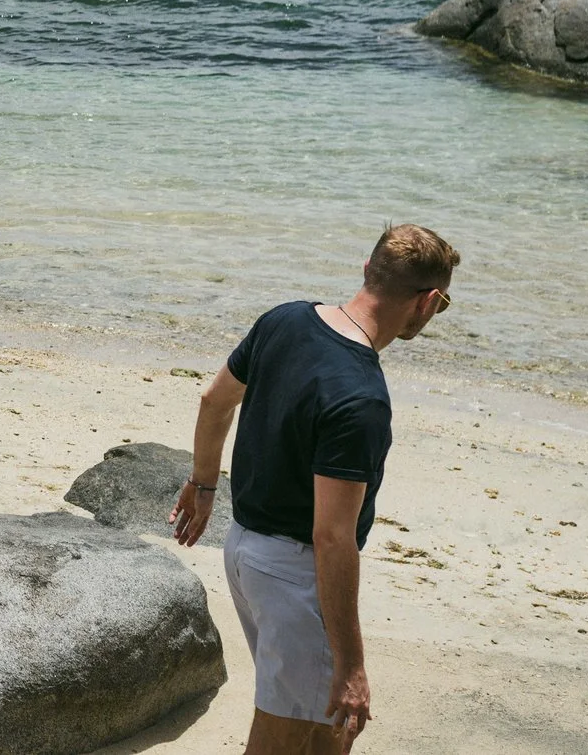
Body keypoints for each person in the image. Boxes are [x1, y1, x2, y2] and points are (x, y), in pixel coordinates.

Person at [171, 225, 460, 755]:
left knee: (327, 730)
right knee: (285, 736)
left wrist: (204, 483)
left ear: (367, 270)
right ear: (428, 302)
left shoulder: (285, 319)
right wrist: (352, 666)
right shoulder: (361, 399)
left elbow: (214, 400)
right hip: (296, 575)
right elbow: (332, 537)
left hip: (244, 552)